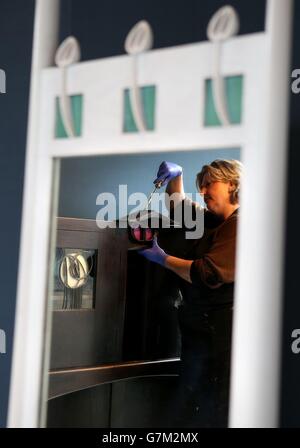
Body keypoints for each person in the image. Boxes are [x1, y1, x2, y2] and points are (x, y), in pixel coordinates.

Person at [138, 159, 242, 427]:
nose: (204, 191)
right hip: (198, 338)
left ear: (233, 184)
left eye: (209, 184)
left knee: (209, 415)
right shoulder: (212, 219)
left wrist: (162, 259)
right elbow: (177, 206)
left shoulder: (240, 224)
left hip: (222, 342)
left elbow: (207, 273)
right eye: (201, 186)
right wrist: (177, 175)